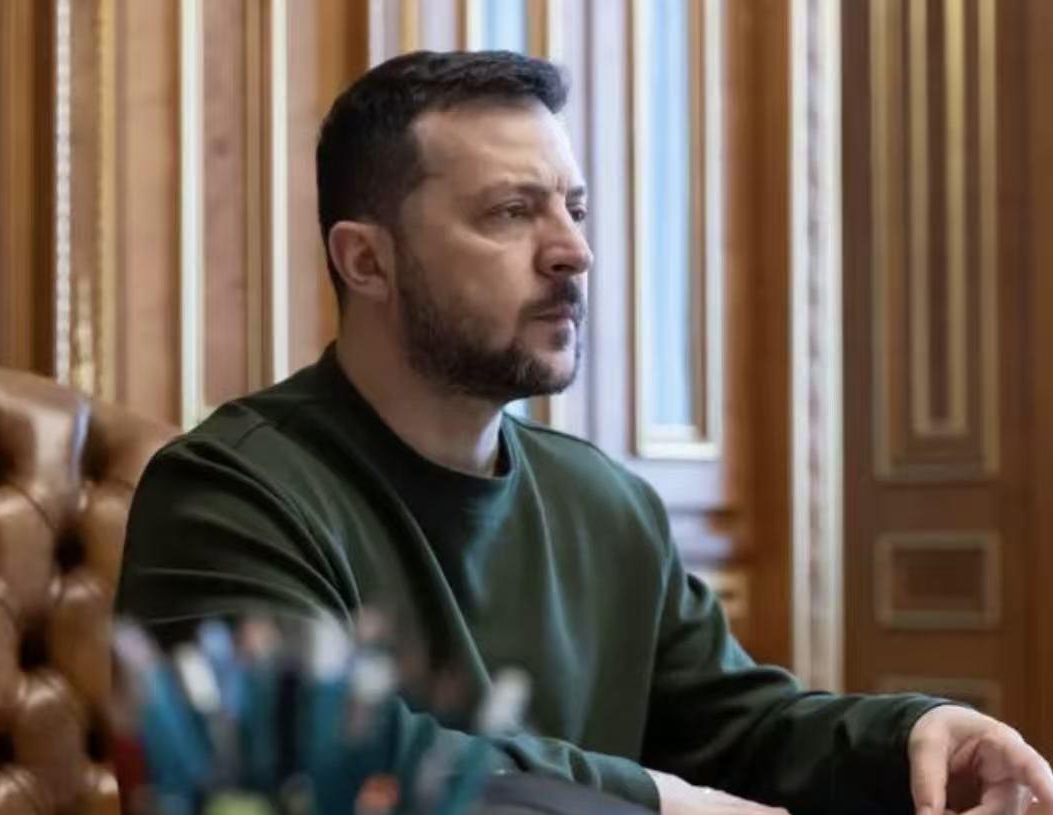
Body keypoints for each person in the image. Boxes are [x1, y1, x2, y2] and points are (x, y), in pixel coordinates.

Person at [115, 50, 1053, 815]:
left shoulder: (603, 501)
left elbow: (738, 729)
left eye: (575, 207)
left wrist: (910, 736)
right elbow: (324, 767)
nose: (573, 250)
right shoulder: (228, 494)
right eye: (511, 212)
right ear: (366, 260)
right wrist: (650, 797)